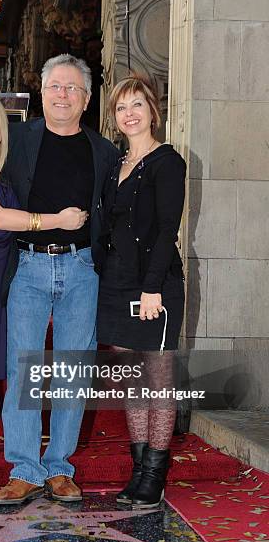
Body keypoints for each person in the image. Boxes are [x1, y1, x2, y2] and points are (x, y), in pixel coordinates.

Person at [0, 54, 119, 504]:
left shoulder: (105, 153)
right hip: (27, 267)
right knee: (23, 369)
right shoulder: (17, 138)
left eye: (72, 88)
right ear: (42, 92)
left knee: (75, 369)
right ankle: (24, 469)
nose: (62, 94)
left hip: (81, 268)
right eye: (54, 86)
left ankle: (58, 467)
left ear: (87, 99)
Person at [96, 75, 186, 508]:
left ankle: (155, 474)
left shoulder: (169, 162)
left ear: (153, 110)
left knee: (159, 382)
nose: (129, 114)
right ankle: (138, 472)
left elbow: (168, 228)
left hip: (156, 286)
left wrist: (153, 289)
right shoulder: (116, 164)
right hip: (116, 285)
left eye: (137, 105)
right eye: (121, 108)